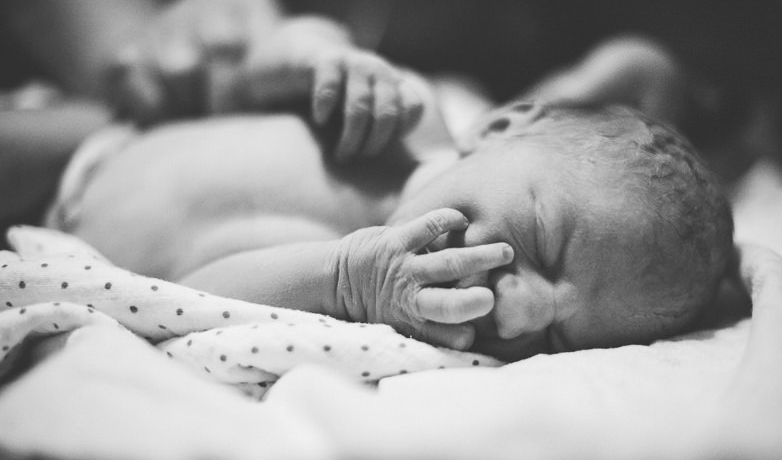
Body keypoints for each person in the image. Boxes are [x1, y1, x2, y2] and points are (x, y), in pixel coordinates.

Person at [42, 98, 733, 362]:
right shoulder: (404, 120)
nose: (517, 310)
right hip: (92, 140)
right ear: (499, 125)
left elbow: (184, 297)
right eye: (544, 239)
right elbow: (262, 68)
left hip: (56, 231)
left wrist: (345, 281)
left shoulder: (380, 321)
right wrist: (318, 59)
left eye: (553, 338)